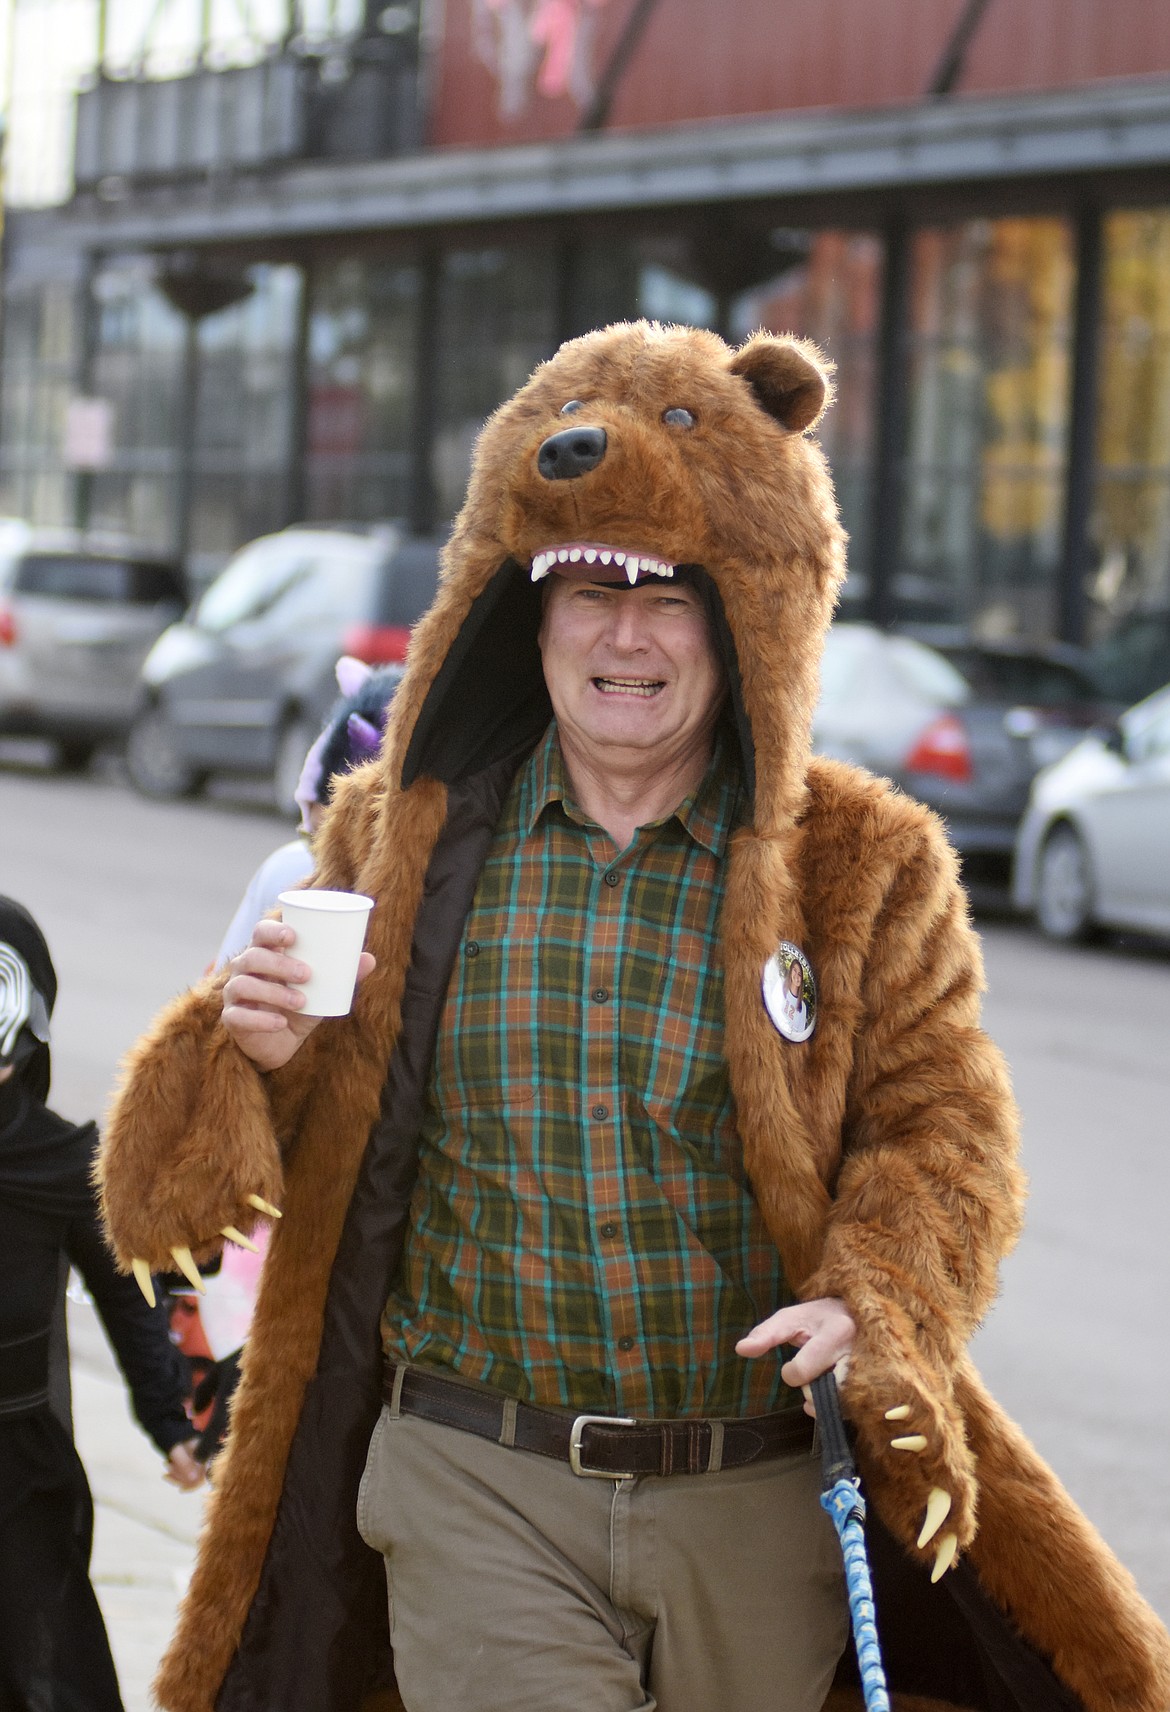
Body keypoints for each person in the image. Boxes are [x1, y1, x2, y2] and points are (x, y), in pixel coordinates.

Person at [98, 323, 1170, 1712]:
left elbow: (944, 1132)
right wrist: (239, 1059)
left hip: (755, 1498)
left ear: (737, 622)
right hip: (473, 1478)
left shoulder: (865, 867)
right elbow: (161, 1199)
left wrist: (877, 1299)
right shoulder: (387, 843)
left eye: (667, 595)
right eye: (584, 590)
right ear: (523, 615)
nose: (623, 635)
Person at [0, 896, 201, 1712]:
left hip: (18, 1477)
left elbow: (133, 1293)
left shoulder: (61, 1163)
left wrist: (172, 1421)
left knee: (49, 1676)